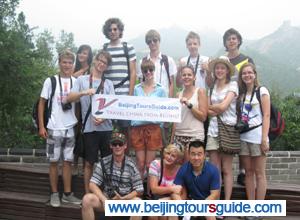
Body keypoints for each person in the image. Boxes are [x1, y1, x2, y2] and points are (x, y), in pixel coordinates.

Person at [67, 50, 114, 193]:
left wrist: (103, 118)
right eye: (100, 60)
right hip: (89, 128)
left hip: (105, 128)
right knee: (88, 163)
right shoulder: (82, 80)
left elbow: (113, 105)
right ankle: (87, 193)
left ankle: (106, 192)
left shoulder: (109, 83)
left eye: (105, 62)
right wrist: (84, 92)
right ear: (95, 60)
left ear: (107, 66)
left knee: (107, 163)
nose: (101, 64)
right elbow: (70, 98)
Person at [38, 49, 81, 207]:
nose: (67, 65)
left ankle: (67, 194)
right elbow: (42, 103)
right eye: (64, 62)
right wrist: (42, 126)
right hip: (53, 128)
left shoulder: (75, 82)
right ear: (59, 63)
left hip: (69, 128)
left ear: (73, 64)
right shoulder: (51, 81)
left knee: (68, 161)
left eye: (70, 62)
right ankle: (55, 193)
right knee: (54, 161)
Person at [81, 131, 144, 220]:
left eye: (120, 144)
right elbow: (92, 184)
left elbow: (139, 189)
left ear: (125, 146)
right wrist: (104, 200)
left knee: (138, 203)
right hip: (108, 201)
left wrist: (125, 198)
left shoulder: (131, 164)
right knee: (87, 199)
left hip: (124, 202)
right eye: (114, 144)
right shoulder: (103, 162)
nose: (117, 146)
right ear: (111, 146)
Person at [222, 28, 255, 186]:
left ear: (239, 41)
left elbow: (252, 80)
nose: (231, 41)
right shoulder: (222, 60)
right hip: (226, 105)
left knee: (243, 137)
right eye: (229, 39)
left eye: (234, 38)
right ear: (225, 42)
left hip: (242, 104)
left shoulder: (247, 59)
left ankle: (242, 172)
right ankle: (224, 171)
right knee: (225, 136)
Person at [206, 56, 238, 201]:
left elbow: (224, 106)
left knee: (226, 169)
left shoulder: (233, 86)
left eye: (222, 68)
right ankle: (216, 201)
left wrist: (216, 108)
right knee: (215, 169)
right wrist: (216, 108)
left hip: (228, 129)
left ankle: (226, 202)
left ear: (227, 70)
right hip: (213, 130)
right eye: (217, 68)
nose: (219, 70)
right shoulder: (211, 87)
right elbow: (207, 110)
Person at [238, 63, 270, 205]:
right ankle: (251, 205)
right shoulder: (242, 94)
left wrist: (264, 139)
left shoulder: (261, 91)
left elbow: (267, 115)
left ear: (255, 74)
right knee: (248, 173)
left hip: (257, 137)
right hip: (243, 137)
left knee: (260, 173)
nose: (247, 75)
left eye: (249, 72)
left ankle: (259, 206)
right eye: (244, 73)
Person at [138, 29, 177, 144]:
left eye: (155, 40)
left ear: (159, 41)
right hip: (147, 107)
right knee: (148, 141)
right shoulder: (142, 61)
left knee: (164, 141)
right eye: (149, 41)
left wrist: (168, 104)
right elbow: (140, 84)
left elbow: (171, 84)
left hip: (163, 106)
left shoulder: (167, 60)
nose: (152, 43)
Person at [131, 59, 166, 180]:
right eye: (145, 70)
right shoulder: (136, 89)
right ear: (142, 72)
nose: (148, 72)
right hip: (138, 128)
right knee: (140, 164)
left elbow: (165, 109)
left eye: (150, 69)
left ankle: (150, 193)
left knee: (149, 165)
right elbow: (132, 107)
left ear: (154, 70)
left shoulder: (161, 89)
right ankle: (139, 191)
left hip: (153, 129)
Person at [102, 17, 137, 134]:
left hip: (124, 95)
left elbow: (133, 73)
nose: (112, 32)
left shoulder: (128, 47)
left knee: (125, 130)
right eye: (110, 30)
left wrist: (130, 95)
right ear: (106, 32)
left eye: (115, 29)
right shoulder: (105, 48)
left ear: (120, 30)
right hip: (109, 95)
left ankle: (125, 153)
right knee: (107, 129)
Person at [173, 140, 220, 220]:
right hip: (189, 202)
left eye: (199, 154)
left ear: (205, 155)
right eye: (193, 154)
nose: (196, 158)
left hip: (207, 202)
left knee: (210, 216)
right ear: (188, 155)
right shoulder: (184, 169)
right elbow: (175, 191)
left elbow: (215, 194)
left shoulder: (213, 170)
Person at [171, 65, 207, 161]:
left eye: (189, 75)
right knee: (178, 167)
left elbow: (203, 117)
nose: (186, 77)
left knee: (190, 166)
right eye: (184, 75)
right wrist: (172, 139)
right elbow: (175, 119)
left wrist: (189, 105)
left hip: (194, 135)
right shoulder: (178, 95)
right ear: (181, 77)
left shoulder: (200, 92)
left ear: (194, 77)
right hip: (178, 135)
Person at [73, 44, 93, 175]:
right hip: (74, 105)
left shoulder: (91, 69)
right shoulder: (75, 68)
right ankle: (74, 165)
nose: (82, 55)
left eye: (85, 53)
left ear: (89, 56)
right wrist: (81, 71)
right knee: (74, 134)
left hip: (86, 106)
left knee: (85, 135)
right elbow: (70, 78)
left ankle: (86, 166)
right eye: (80, 52)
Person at [148, 144, 183, 220]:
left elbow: (180, 192)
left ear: (178, 159)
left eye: (173, 156)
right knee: (153, 215)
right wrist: (172, 189)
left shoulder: (181, 169)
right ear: (164, 153)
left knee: (170, 212)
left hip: (172, 199)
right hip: (157, 197)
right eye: (168, 153)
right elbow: (154, 189)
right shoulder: (156, 164)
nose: (169, 157)